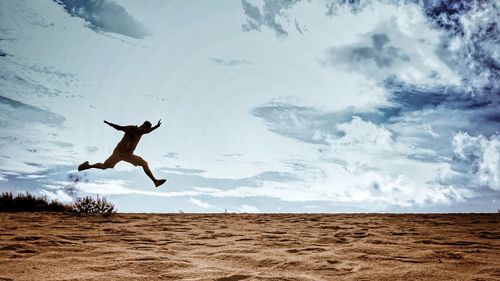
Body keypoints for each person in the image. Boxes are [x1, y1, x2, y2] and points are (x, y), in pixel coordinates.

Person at [78, 120, 166, 187]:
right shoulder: (132, 129)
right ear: (141, 125)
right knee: (105, 166)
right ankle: (87, 166)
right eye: (142, 127)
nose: (143, 130)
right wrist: (110, 124)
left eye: (145, 129)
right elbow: (120, 128)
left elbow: (149, 130)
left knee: (144, 163)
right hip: (118, 153)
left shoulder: (142, 132)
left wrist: (156, 126)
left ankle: (155, 181)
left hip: (128, 155)